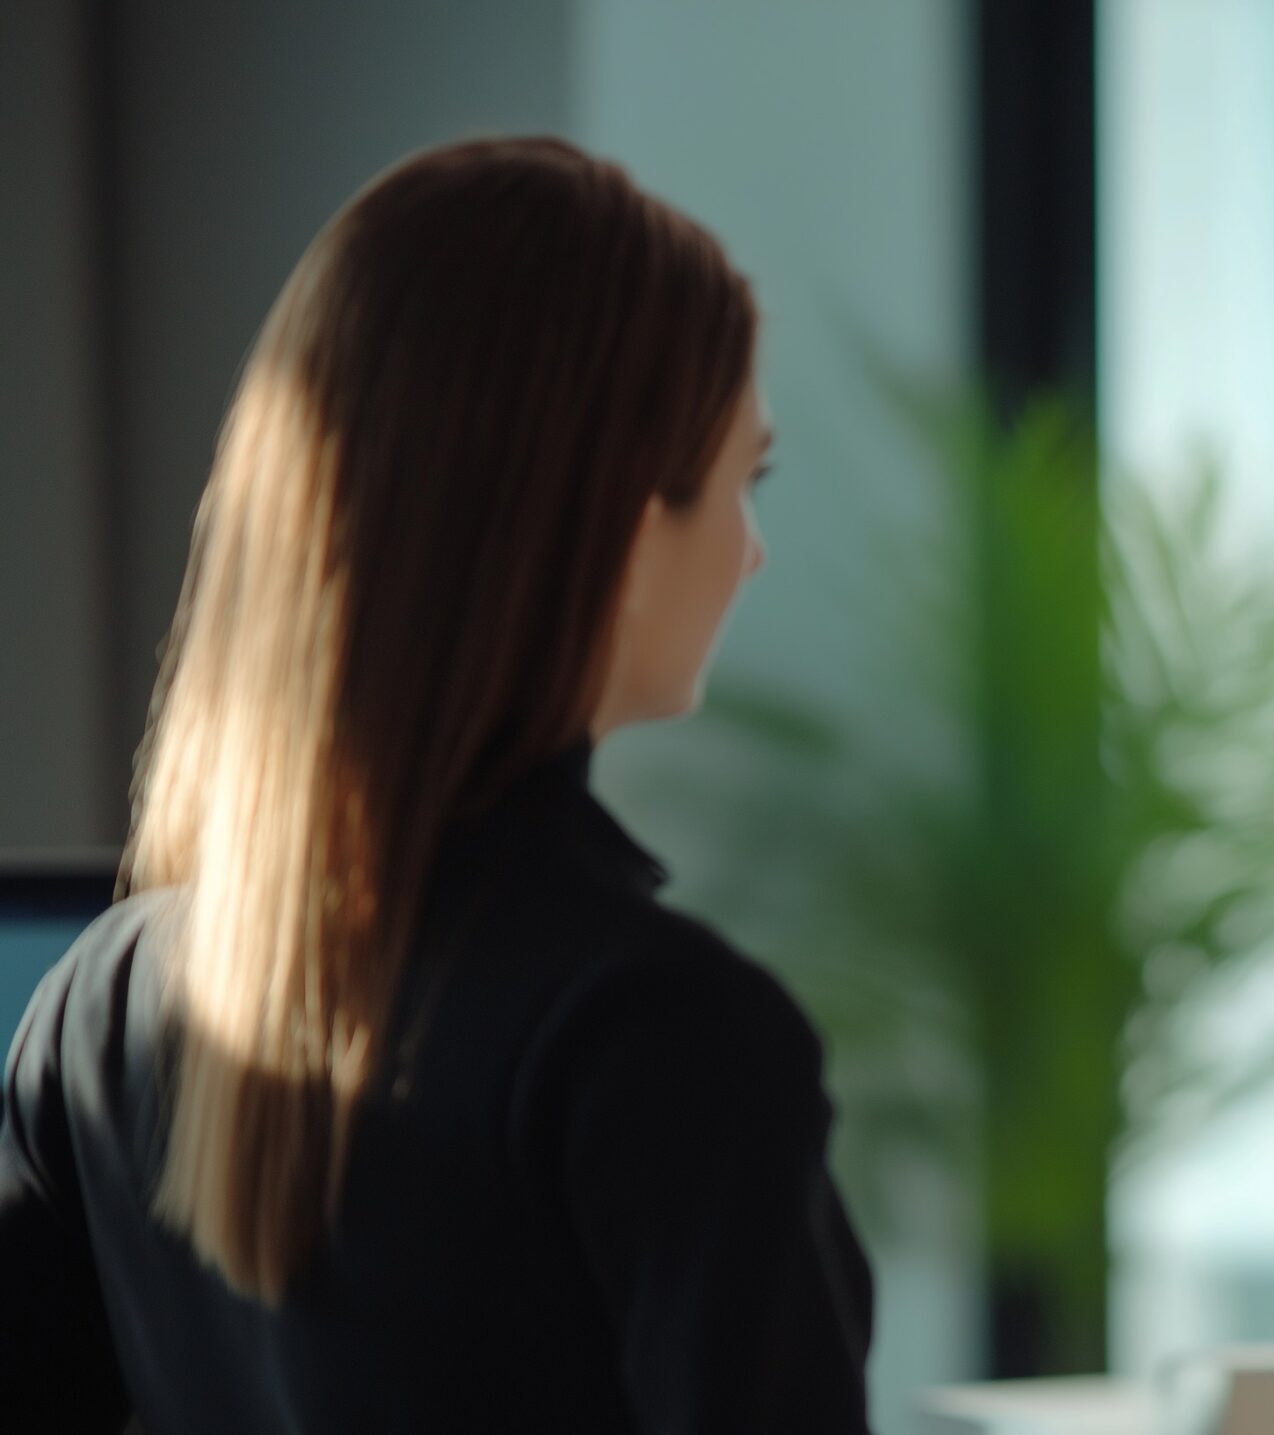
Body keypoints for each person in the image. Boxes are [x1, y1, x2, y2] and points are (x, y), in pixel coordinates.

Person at [0, 137, 874, 1433]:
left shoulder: (97, 1004)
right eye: (741, 484)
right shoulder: (663, 1040)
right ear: (624, 531)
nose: (749, 556)